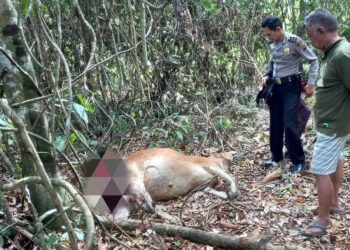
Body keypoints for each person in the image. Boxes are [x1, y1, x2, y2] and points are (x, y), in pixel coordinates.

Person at [301, 8, 350, 237]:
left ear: (321, 31)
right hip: (332, 123)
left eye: (310, 35)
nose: (310, 40)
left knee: (320, 168)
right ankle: (332, 203)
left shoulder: (342, 55)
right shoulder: (333, 52)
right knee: (333, 161)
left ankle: (323, 220)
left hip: (333, 124)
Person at [260, 16, 319, 173]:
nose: (267, 37)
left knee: (289, 124)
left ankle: (299, 161)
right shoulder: (273, 42)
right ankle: (276, 157)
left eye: (268, 34)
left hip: (291, 87)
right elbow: (274, 61)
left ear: (278, 29)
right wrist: (267, 74)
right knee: (275, 122)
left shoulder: (294, 41)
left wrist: (311, 84)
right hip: (276, 87)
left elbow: (313, 60)